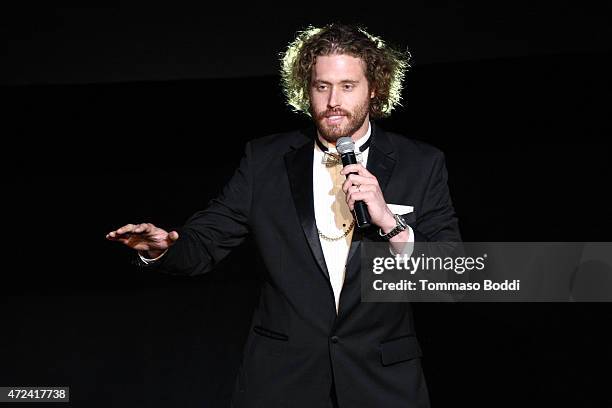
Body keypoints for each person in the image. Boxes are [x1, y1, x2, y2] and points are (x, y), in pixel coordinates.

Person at [107, 23, 460, 408]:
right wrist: (162, 248)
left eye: (347, 86)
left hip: (383, 383)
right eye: (321, 86)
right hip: (284, 382)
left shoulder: (421, 163)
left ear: (374, 88)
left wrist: (391, 224)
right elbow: (206, 242)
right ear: (306, 89)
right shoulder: (265, 161)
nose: (333, 101)